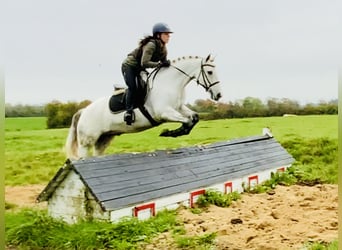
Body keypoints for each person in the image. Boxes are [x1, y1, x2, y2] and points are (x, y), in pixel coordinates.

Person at [121, 22, 173, 125]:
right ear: (158, 35)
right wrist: (159, 64)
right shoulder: (151, 45)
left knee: (147, 86)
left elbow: (161, 65)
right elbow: (144, 63)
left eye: (169, 34)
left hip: (139, 68)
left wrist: (166, 64)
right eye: (166, 34)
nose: (168, 36)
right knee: (133, 87)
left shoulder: (163, 49)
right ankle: (128, 112)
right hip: (129, 66)